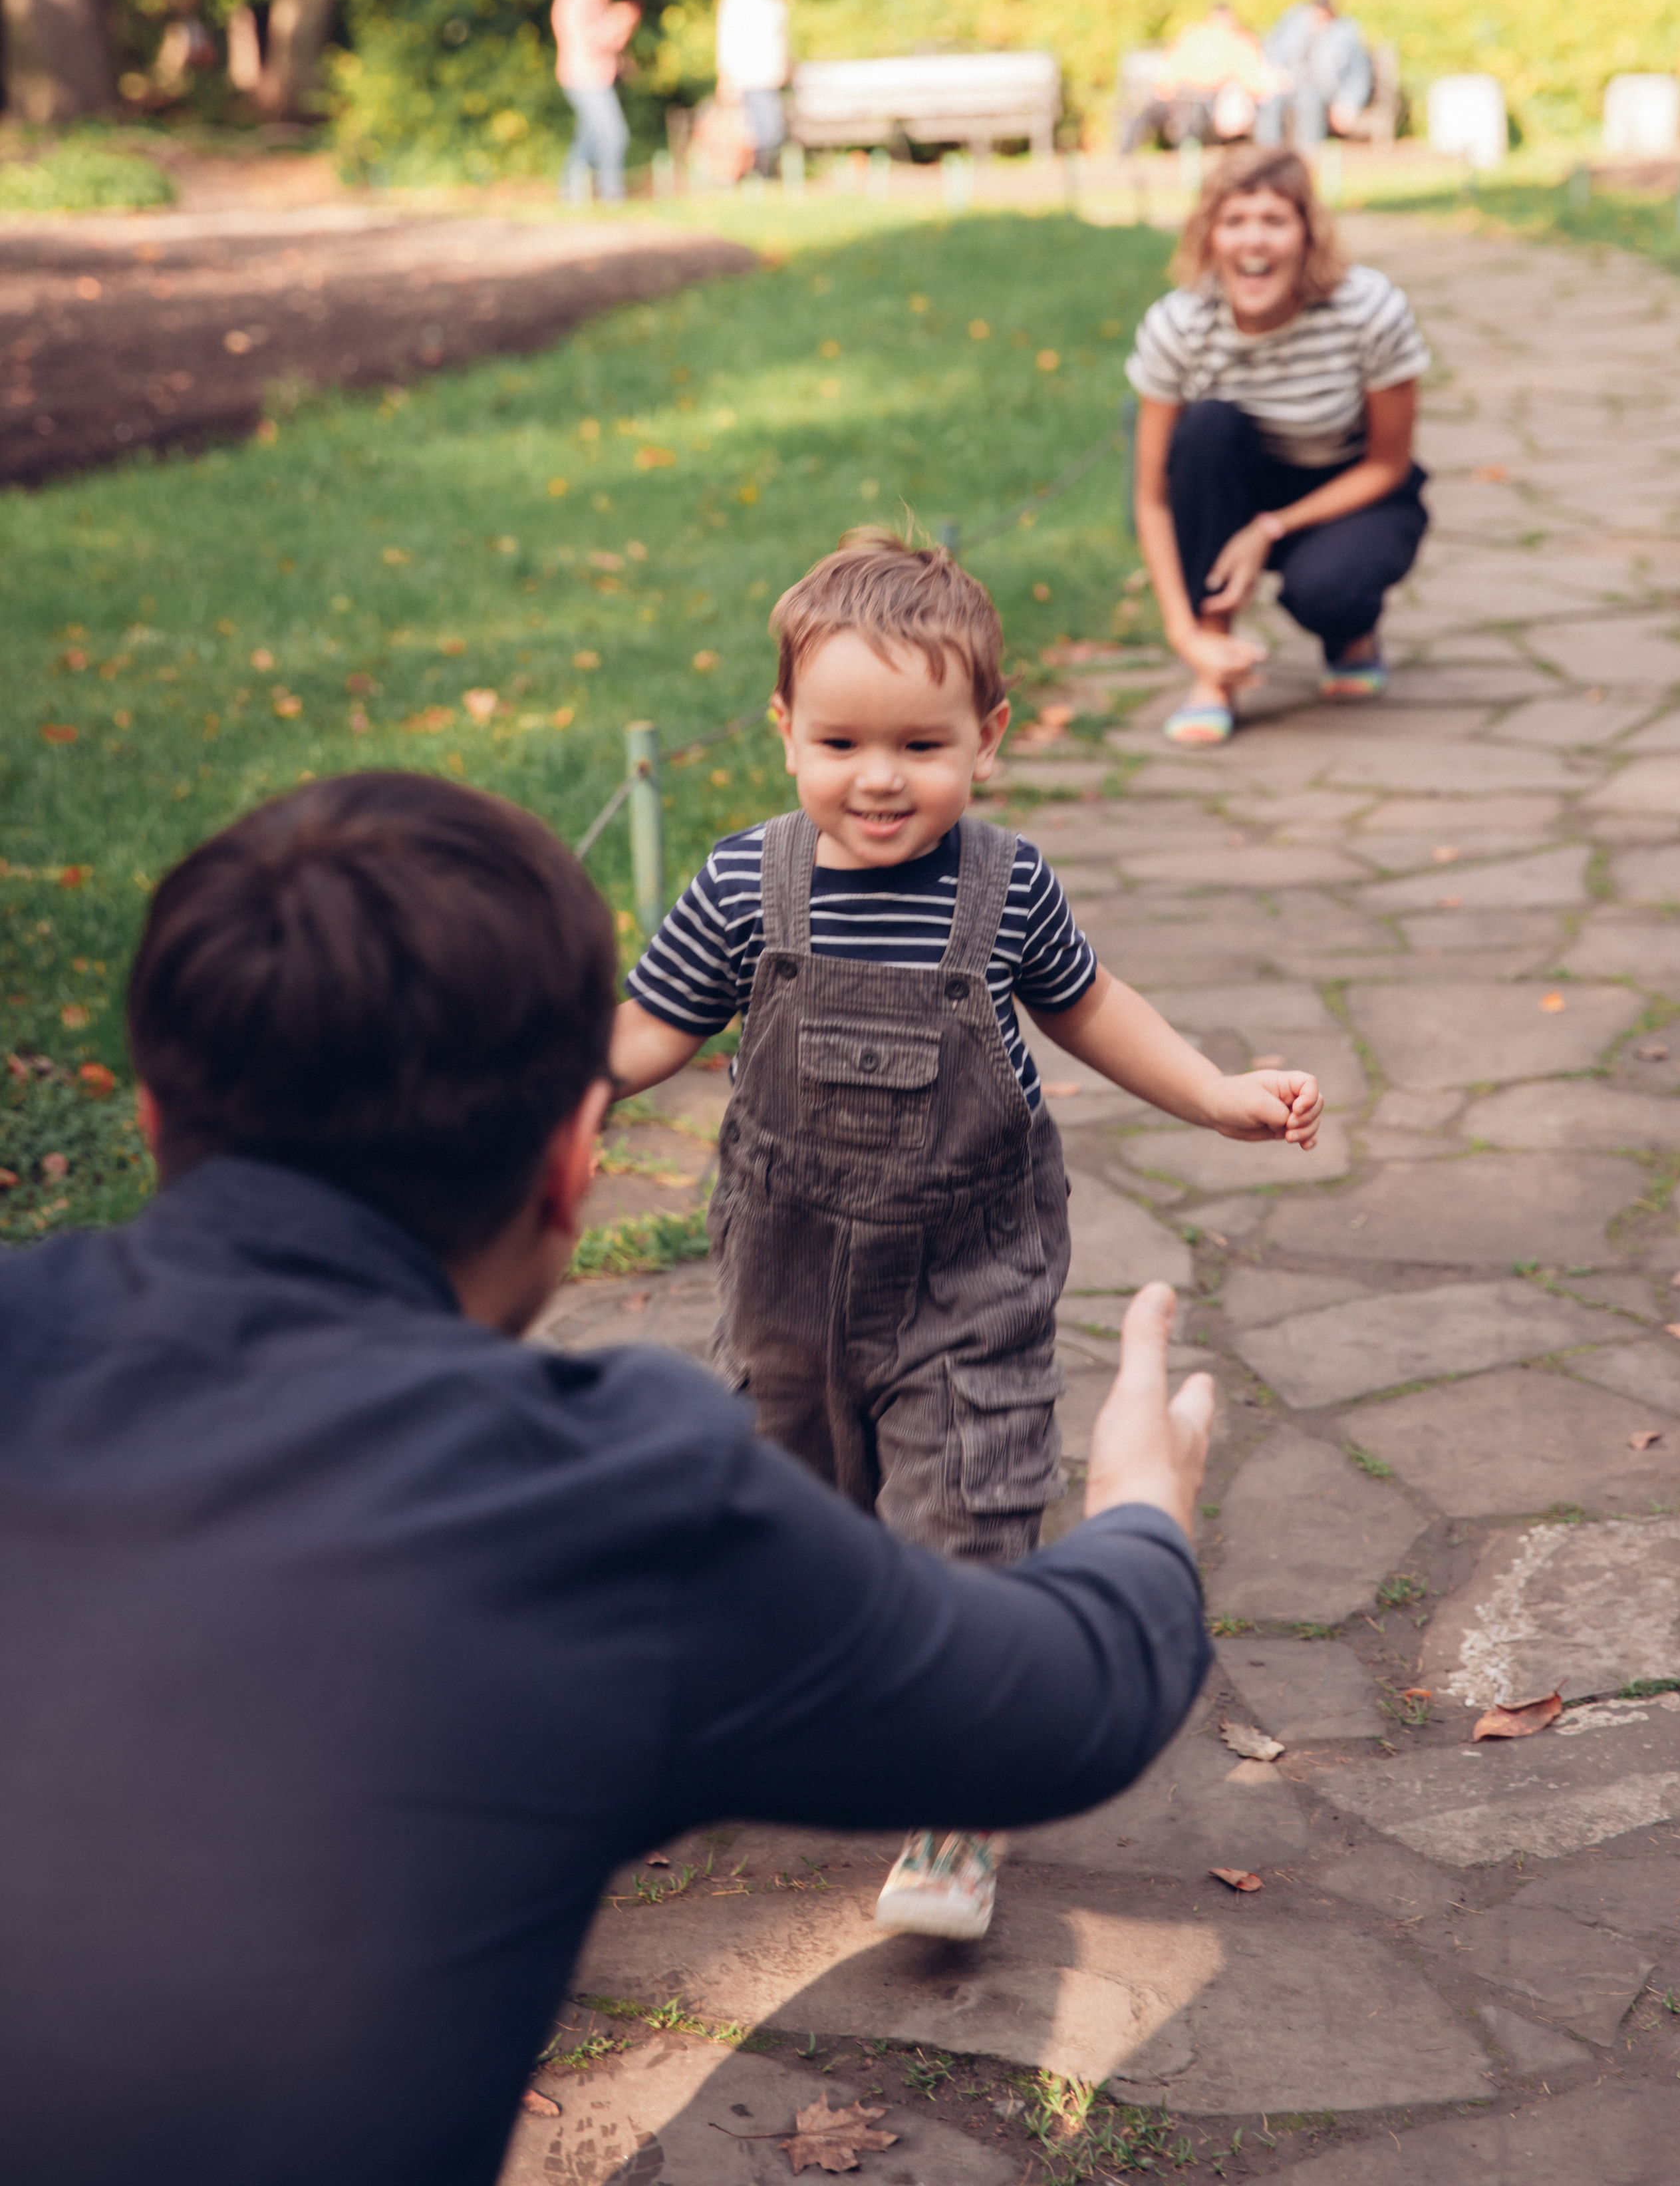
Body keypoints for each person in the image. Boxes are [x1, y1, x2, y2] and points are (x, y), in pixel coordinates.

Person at [0, 770, 1215, 2186]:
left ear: (153, 1120)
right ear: (574, 1171)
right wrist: (1141, 1502)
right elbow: (1069, 1707)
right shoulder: (605, 1505)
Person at [612, 534, 1321, 1941]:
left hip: (969, 1280)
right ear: (783, 733)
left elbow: (1091, 1008)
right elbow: (647, 1031)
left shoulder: (1007, 887)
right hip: (784, 1289)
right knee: (782, 1512)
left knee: (967, 1517)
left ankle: (954, 1806)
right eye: (839, 741)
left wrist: (1212, 1093)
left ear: (986, 736)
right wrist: (539, 1087)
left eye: (920, 743)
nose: (878, 777)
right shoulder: (743, 884)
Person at [1129, 146, 1431, 747]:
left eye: (1274, 221)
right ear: (1209, 237)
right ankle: (1216, 669)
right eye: (1234, 221)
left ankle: (1351, 633)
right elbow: (1153, 498)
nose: (1254, 242)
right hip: (1234, 485)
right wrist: (1186, 635)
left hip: (1352, 489)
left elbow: (1388, 463)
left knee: (1329, 589)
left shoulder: (1367, 310)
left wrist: (1268, 529)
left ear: (1308, 235)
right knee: (1208, 428)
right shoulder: (1179, 327)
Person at [1120, 3, 1282, 152]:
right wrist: (1167, 87)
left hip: (1215, 97)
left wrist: (1257, 89)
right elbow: (1174, 64)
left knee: (1204, 114)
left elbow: (1250, 73)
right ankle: (1124, 159)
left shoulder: (1239, 40)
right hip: (1184, 93)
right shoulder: (1195, 35)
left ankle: (1188, 158)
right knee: (1138, 110)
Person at [550, 0, 639, 203]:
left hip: (595, 77)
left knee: (589, 138)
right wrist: (619, 21)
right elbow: (588, 42)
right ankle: (611, 194)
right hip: (584, 78)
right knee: (614, 134)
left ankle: (570, 190)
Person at [1256, 0, 1374, 149]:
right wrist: (1276, 74)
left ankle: (1306, 158)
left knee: (1308, 101)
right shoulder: (1293, 23)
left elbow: (1358, 73)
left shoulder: (1345, 33)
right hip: (1289, 84)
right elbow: (1273, 51)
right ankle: (1267, 157)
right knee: (1270, 101)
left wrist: (1347, 102)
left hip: (1322, 90)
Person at [716, 0, 790, 176]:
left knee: (771, 134)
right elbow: (727, 44)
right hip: (747, 83)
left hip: (770, 82)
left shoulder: (775, 2)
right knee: (757, 136)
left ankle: (761, 179)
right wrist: (727, 80)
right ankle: (753, 179)